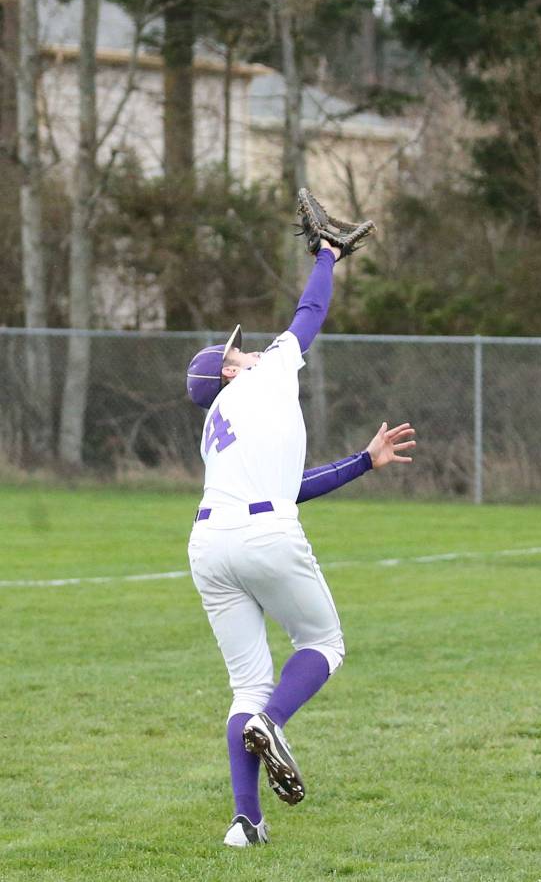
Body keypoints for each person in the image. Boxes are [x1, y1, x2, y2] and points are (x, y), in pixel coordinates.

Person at [186, 239, 416, 848]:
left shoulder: (219, 424)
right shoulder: (264, 378)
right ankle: (274, 721)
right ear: (229, 371)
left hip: (208, 542)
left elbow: (292, 487)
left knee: (245, 684)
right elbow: (309, 315)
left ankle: (245, 823)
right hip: (263, 534)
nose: (249, 349)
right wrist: (327, 255)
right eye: (237, 351)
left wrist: (363, 462)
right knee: (323, 641)